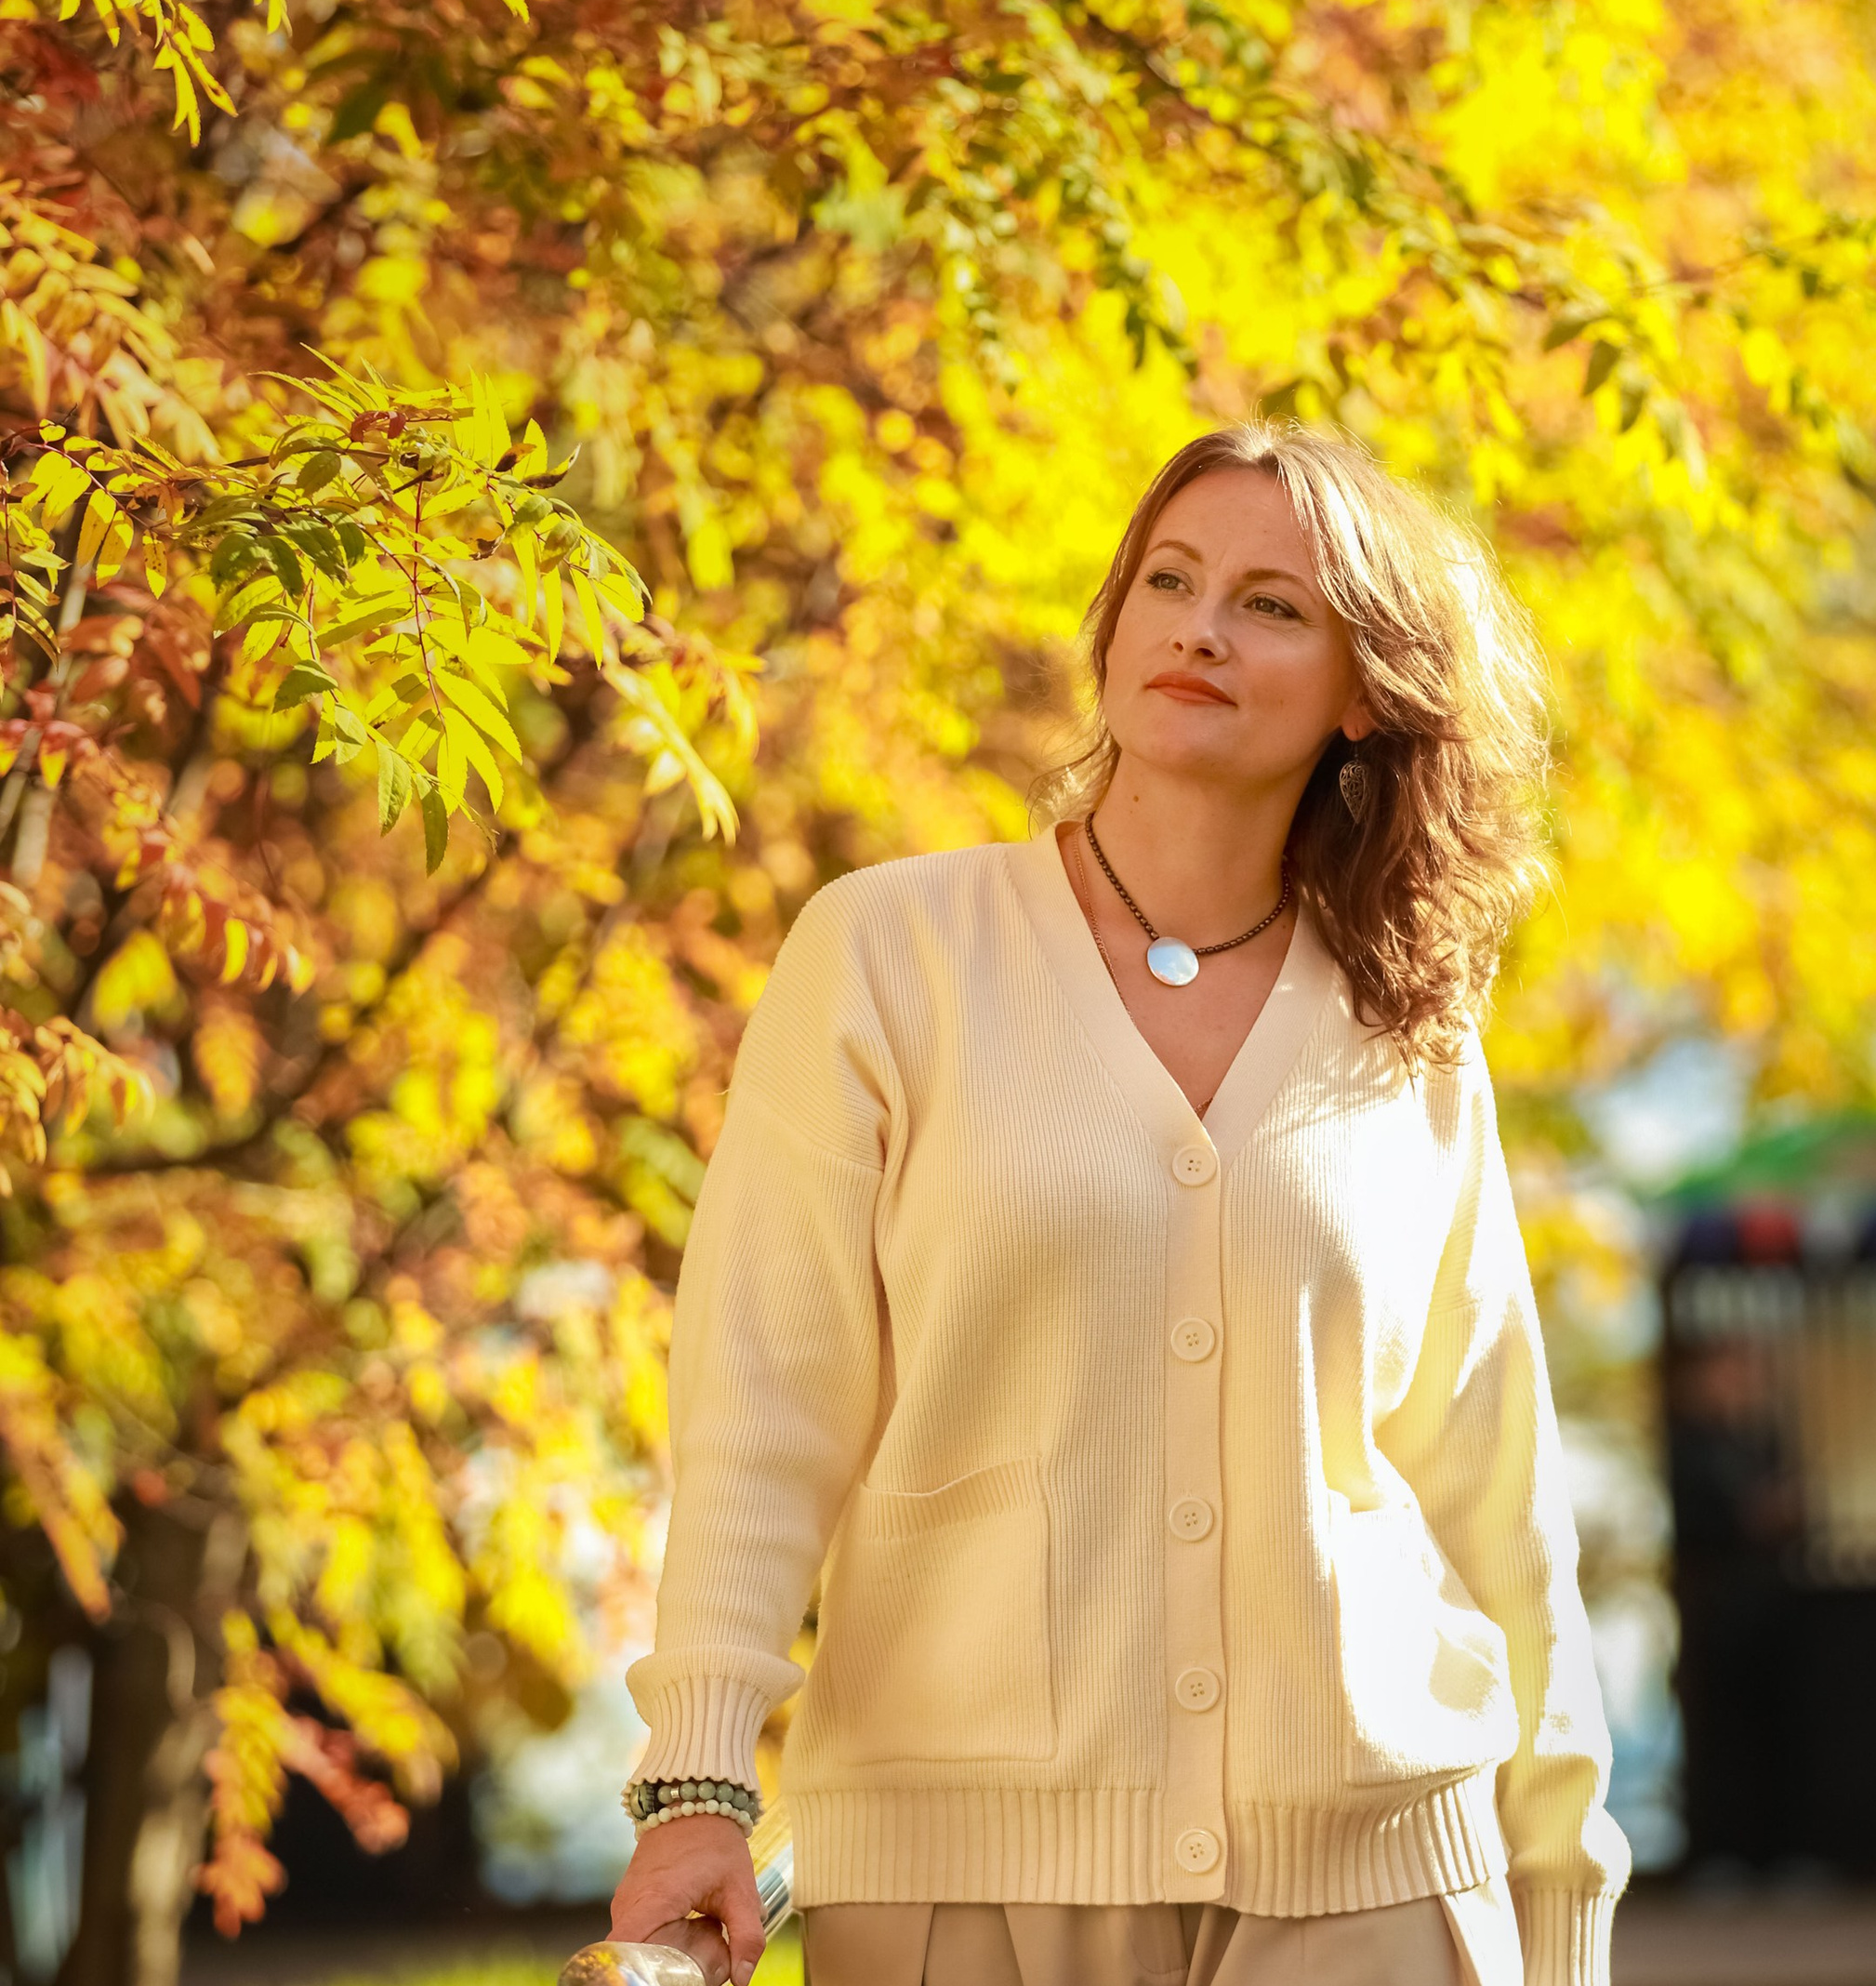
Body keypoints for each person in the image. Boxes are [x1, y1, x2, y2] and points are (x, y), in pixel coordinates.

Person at [607, 423, 1631, 1986]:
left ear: (1368, 692)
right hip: (959, 1870)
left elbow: (1496, 1483)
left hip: (1367, 1864)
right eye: (1170, 579)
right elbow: (762, 1397)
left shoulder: (1406, 1020)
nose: (1200, 628)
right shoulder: (892, 954)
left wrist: (1562, 1892)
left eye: (1274, 605)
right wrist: (697, 1780)